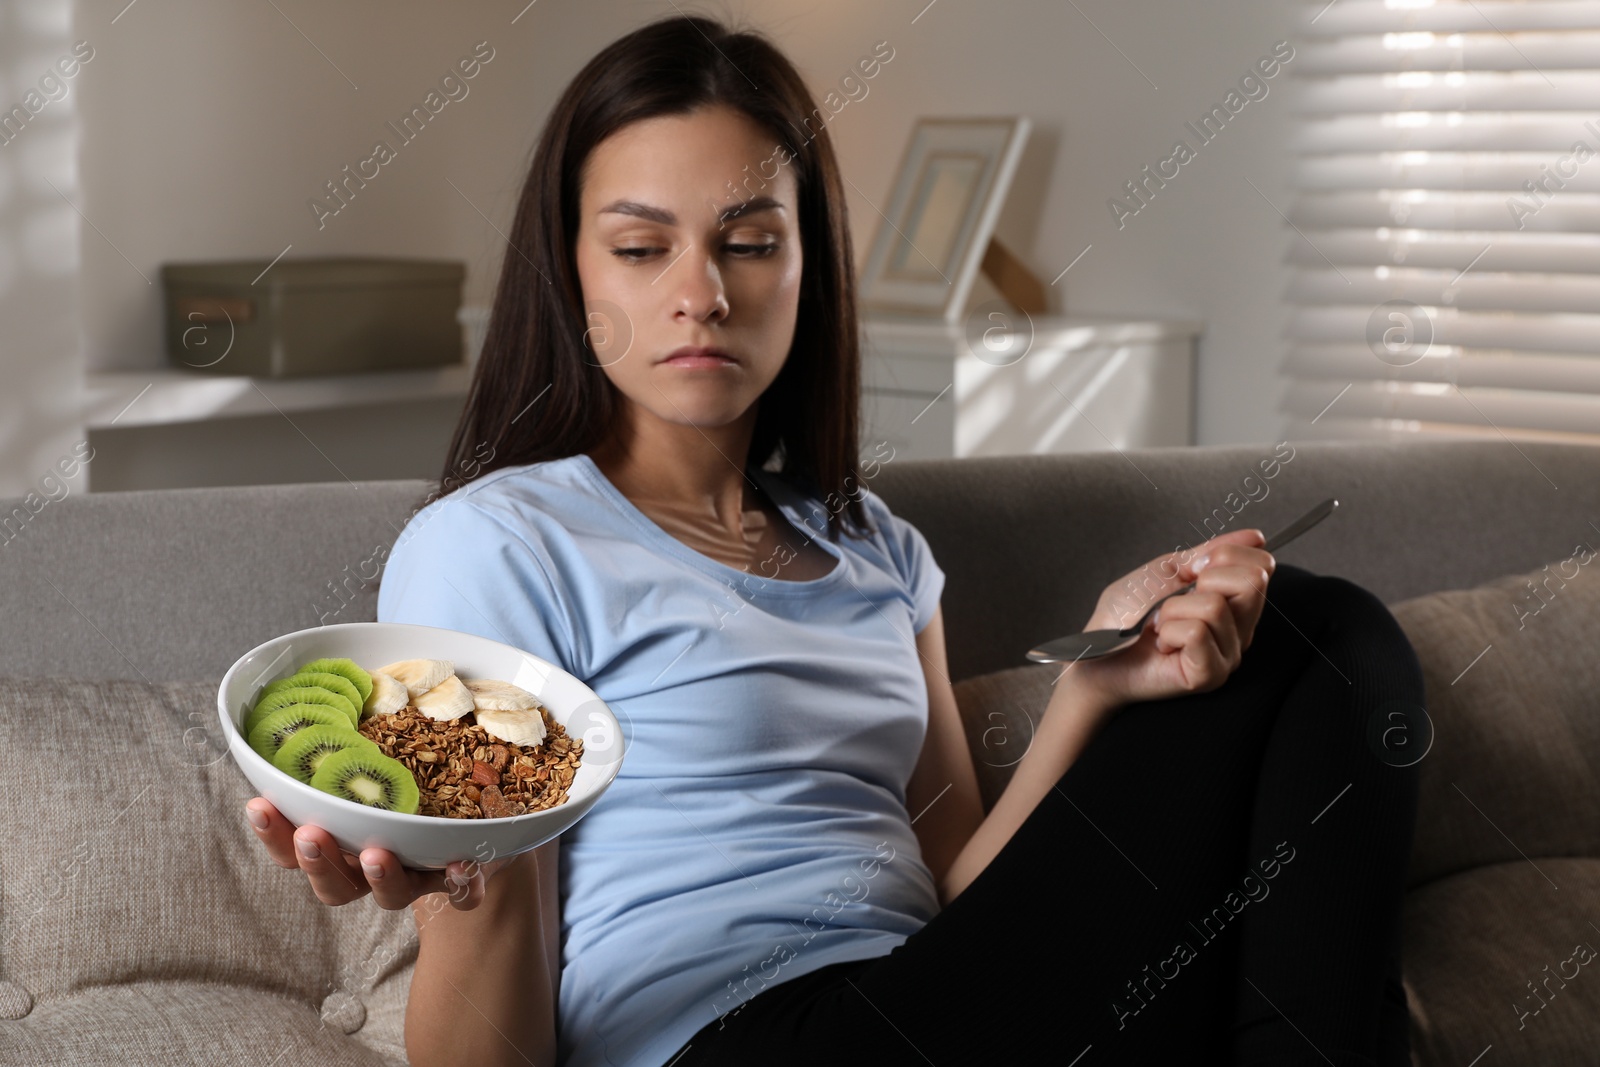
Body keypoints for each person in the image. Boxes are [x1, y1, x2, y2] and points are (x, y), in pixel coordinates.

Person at [244, 14, 1423, 1067]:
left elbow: (950, 887)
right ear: (568, 272)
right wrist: (473, 873)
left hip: (931, 1002)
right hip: (734, 1034)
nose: (700, 292)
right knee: (1317, 633)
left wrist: (1094, 690)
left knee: (1310, 625)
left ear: (809, 268)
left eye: (749, 241)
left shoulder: (880, 552)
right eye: (641, 247)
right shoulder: (498, 544)